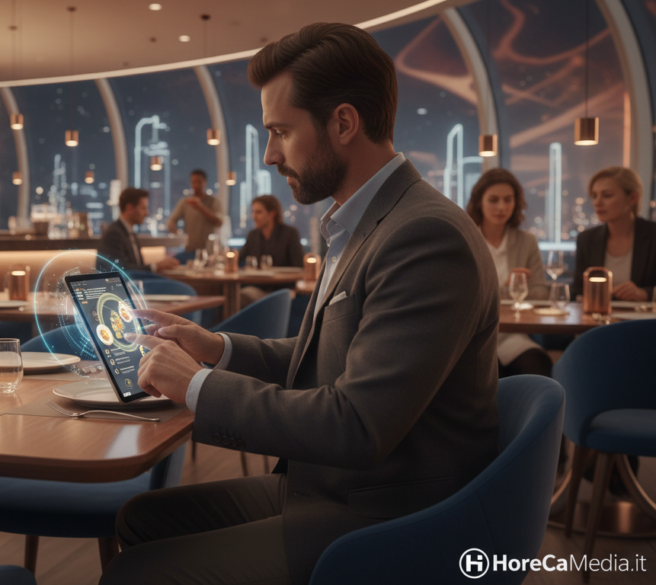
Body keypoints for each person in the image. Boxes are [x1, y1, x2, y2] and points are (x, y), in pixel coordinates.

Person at [101, 23, 499, 585]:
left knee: (135, 572)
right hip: (337, 486)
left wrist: (195, 386)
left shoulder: (425, 237)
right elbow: (327, 359)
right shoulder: (367, 222)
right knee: (141, 519)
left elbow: (358, 425)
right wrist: (214, 347)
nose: (269, 154)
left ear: (342, 123)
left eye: (281, 132)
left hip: (390, 516)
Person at [467, 168, 552, 378]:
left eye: (508, 200)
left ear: (516, 203)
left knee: (538, 365)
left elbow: (542, 292)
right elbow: (461, 296)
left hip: (514, 335)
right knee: (485, 372)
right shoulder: (466, 239)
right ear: (480, 202)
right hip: (475, 336)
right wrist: (508, 288)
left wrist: (517, 287)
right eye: (493, 200)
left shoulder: (526, 241)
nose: (501, 207)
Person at [571, 166, 656, 301]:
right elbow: (577, 291)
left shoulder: (653, 235)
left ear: (632, 198)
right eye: (594, 196)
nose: (597, 203)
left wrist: (645, 294)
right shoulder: (587, 239)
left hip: (644, 320)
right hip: (597, 319)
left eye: (607, 195)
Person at [238, 195, 306, 305]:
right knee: (233, 297)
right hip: (258, 288)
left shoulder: (289, 233)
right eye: (253, 212)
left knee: (240, 298)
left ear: (272, 213)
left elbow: (299, 267)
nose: (254, 216)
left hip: (282, 291)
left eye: (258, 212)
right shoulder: (253, 235)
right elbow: (238, 258)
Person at [98, 187, 180, 273]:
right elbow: (121, 270)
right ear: (129, 208)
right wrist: (156, 266)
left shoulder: (128, 232)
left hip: (137, 282)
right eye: (143, 208)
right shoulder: (114, 234)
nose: (147, 213)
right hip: (129, 284)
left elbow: (135, 266)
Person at [166, 169, 224, 252]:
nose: (196, 185)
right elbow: (170, 222)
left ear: (205, 182)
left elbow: (220, 222)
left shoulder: (214, 201)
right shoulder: (185, 202)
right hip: (190, 249)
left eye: (199, 182)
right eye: (193, 182)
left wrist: (200, 207)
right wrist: (178, 235)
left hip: (209, 251)